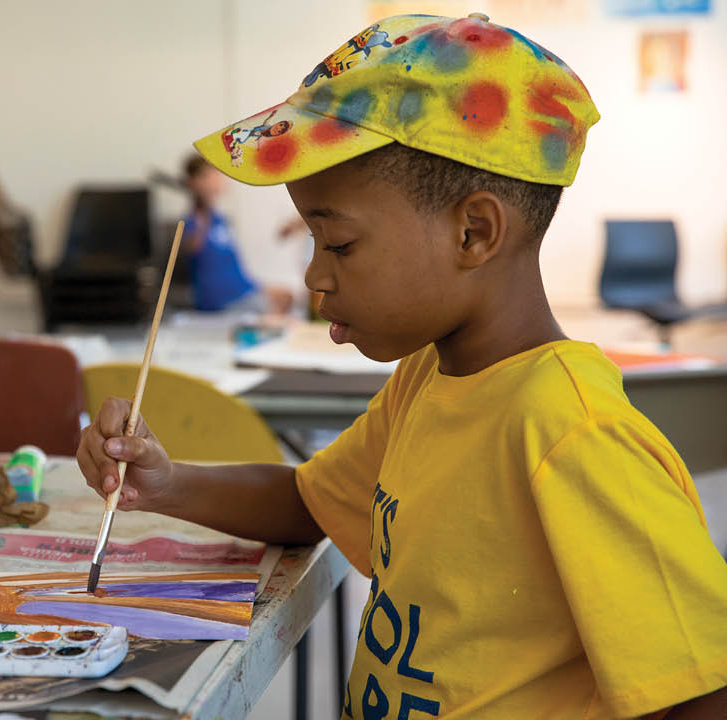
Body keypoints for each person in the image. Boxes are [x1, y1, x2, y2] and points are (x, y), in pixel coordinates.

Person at [79, 12, 727, 719]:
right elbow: (310, 501)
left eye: (340, 245)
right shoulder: (428, 378)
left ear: (473, 232)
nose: (313, 280)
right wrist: (168, 484)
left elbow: (698, 689)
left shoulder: (573, 431)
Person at [183, 152, 293, 314]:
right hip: (222, 300)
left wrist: (260, 288)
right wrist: (201, 203)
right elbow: (193, 248)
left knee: (287, 296)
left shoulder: (220, 219)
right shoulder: (193, 221)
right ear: (194, 183)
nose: (217, 178)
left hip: (243, 290)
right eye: (209, 175)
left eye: (216, 173)